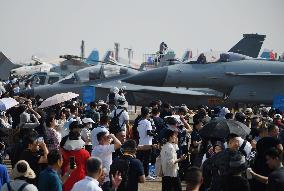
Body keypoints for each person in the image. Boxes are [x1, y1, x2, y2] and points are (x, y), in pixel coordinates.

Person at [60, 121, 90, 191]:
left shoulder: (81, 138)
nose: (79, 129)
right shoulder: (65, 139)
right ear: (72, 129)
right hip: (72, 176)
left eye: (80, 128)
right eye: (77, 127)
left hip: (72, 176)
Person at [136, 107, 155, 180]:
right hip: (147, 144)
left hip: (140, 143)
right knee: (147, 160)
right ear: (147, 114)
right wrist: (155, 133)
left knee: (140, 159)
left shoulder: (139, 121)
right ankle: (146, 174)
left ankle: (138, 174)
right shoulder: (148, 122)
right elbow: (149, 132)